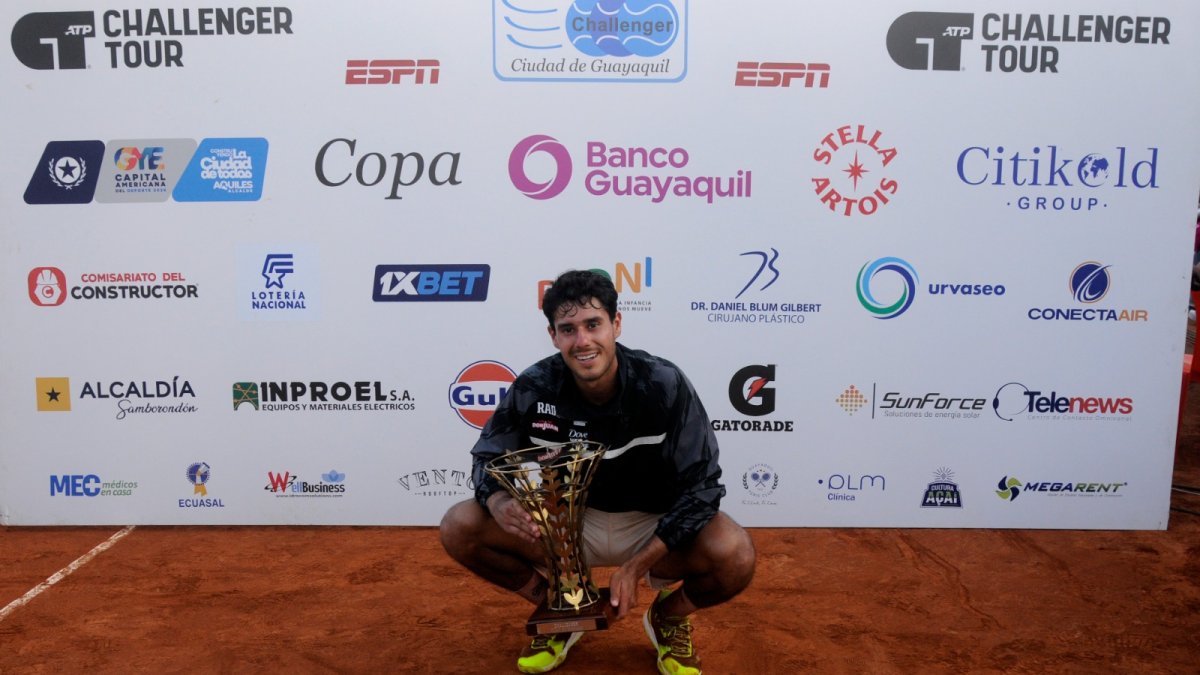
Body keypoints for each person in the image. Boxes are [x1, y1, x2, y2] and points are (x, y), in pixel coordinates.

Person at [440, 269, 756, 675]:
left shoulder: (663, 383)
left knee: (734, 552)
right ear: (553, 335)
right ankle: (557, 606)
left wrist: (638, 566)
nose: (582, 341)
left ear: (616, 324)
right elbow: (487, 456)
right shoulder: (534, 386)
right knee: (460, 524)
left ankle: (669, 618)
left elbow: (703, 488)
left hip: (652, 524)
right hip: (568, 527)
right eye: (568, 329)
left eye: (593, 325)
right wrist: (498, 499)